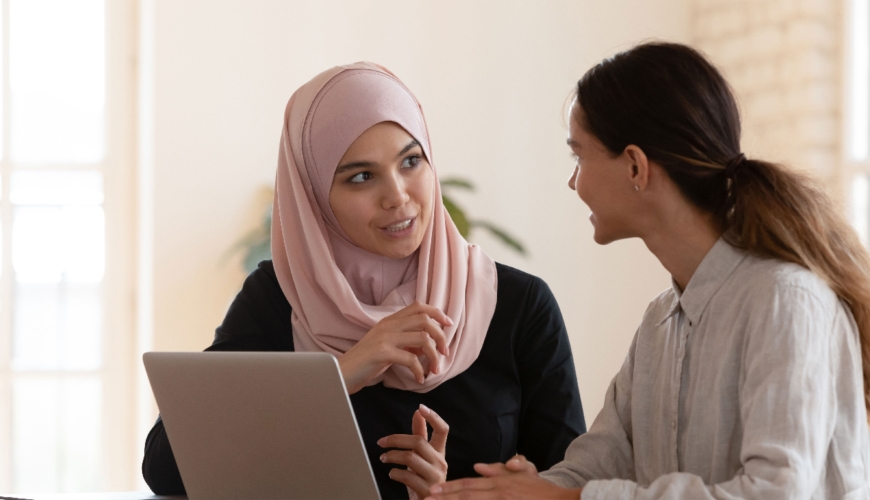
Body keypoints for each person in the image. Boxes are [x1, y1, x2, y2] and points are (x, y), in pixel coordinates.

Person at [426, 42, 870, 500]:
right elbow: (592, 466)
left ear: (636, 166)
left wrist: (561, 498)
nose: (573, 181)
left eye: (578, 157)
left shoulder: (786, 301)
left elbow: (777, 493)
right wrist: (495, 492)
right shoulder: (659, 323)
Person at [141, 62, 586, 499]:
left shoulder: (518, 305)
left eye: (411, 161)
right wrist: (339, 375)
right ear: (314, 196)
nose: (397, 196)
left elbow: (567, 483)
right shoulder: (281, 298)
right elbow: (164, 466)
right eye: (361, 177)